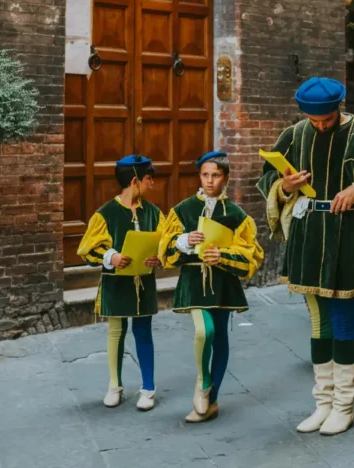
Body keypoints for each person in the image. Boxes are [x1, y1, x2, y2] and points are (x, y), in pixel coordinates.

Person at [256, 76, 354, 436]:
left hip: (348, 232)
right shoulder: (296, 133)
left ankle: (344, 405)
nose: (320, 126)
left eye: (326, 120)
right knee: (318, 323)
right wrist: (284, 185)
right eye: (314, 121)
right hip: (308, 231)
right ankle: (323, 403)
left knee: (344, 318)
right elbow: (266, 175)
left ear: (338, 108)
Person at [159, 151, 264, 423]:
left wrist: (224, 255)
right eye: (205, 175)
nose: (209, 181)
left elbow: (252, 254)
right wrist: (184, 240)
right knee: (204, 330)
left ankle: (212, 401)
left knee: (220, 338)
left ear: (225, 178)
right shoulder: (183, 209)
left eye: (215, 175)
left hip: (223, 281)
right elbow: (166, 250)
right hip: (194, 280)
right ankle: (203, 382)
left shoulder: (237, 215)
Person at [76, 155, 164, 411]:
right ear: (135, 181)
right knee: (116, 332)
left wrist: (157, 257)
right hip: (116, 282)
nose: (152, 185)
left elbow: (166, 241)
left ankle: (148, 388)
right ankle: (115, 385)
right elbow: (88, 248)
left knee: (144, 331)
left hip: (143, 282)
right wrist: (111, 256)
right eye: (149, 180)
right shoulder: (106, 213)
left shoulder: (154, 213)